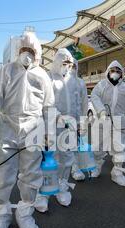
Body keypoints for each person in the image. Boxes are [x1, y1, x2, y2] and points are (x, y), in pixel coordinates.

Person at [0, 31, 55, 228]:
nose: (27, 54)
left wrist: (49, 132)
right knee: (2, 174)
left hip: (33, 130)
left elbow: (49, 107)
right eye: (23, 49)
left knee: (31, 174)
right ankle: (2, 214)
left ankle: (25, 213)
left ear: (37, 53)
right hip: (6, 127)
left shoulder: (42, 76)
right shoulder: (6, 71)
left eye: (31, 50)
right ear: (17, 51)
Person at [34, 48, 77, 213]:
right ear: (57, 62)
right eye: (64, 62)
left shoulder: (72, 81)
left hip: (69, 126)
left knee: (67, 158)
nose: (67, 66)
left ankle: (62, 186)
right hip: (49, 127)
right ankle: (43, 192)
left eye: (69, 63)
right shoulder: (48, 78)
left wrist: (78, 121)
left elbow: (78, 103)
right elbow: (44, 104)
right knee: (45, 160)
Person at [89, 61, 125, 187]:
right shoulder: (101, 85)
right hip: (102, 121)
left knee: (119, 148)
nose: (115, 73)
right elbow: (94, 97)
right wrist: (101, 110)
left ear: (122, 74)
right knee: (98, 146)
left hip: (120, 123)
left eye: (118, 71)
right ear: (108, 71)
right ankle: (97, 166)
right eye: (113, 70)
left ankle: (117, 173)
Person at [70, 59, 90, 181]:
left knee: (75, 146)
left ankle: (75, 168)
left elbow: (84, 103)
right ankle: (58, 170)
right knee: (57, 147)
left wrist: (82, 122)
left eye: (73, 66)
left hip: (76, 121)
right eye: (67, 65)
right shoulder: (56, 81)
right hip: (58, 120)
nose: (71, 68)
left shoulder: (80, 83)